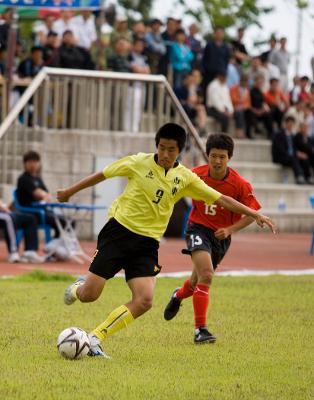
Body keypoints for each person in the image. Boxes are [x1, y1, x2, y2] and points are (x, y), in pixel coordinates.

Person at [56, 123, 275, 358]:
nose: (165, 154)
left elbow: (222, 199)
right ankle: (80, 287)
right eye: (161, 148)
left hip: (147, 243)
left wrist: (255, 214)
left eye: (171, 150)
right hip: (119, 233)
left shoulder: (185, 178)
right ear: (156, 146)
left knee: (145, 300)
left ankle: (95, 338)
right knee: (90, 295)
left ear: (179, 150)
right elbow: (103, 174)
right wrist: (70, 191)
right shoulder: (138, 162)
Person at [163, 133, 266, 343]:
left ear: (229, 158)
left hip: (221, 237)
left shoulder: (240, 184)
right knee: (207, 275)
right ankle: (200, 330)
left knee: (195, 282)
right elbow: (170, 188)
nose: (217, 161)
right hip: (197, 229)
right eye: (213, 156)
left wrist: (230, 229)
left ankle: (178, 295)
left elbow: (251, 214)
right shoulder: (195, 175)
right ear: (207, 156)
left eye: (222, 157)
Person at [16, 150, 74, 238]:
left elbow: (48, 195)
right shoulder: (23, 179)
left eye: (35, 162)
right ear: (25, 164)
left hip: (43, 211)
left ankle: (57, 243)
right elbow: (39, 194)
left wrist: (44, 196)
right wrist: (43, 196)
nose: (33, 164)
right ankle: (55, 245)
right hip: (31, 212)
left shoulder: (38, 179)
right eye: (30, 162)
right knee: (60, 221)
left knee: (70, 221)